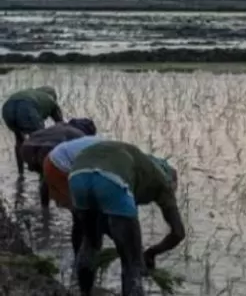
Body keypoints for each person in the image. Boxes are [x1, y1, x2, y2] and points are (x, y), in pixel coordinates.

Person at [68, 140, 186, 296]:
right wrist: (150, 253)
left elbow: (107, 220)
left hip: (77, 175)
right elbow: (178, 232)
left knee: (90, 244)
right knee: (132, 264)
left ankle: (84, 292)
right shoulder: (164, 182)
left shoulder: (139, 165)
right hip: (111, 180)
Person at [43, 134, 106, 256]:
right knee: (82, 216)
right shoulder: (114, 158)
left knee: (86, 216)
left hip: (55, 159)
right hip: (58, 167)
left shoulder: (112, 151)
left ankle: (85, 254)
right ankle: (83, 257)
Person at [20, 118, 98, 209]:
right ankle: (55, 208)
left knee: (46, 179)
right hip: (44, 149)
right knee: (50, 180)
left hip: (26, 147)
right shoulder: (80, 135)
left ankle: (45, 209)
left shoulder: (60, 125)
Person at [2, 86, 64, 176]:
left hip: (7, 108)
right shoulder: (51, 100)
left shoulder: (32, 94)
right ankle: (42, 174)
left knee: (19, 140)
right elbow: (62, 126)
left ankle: (20, 173)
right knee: (40, 141)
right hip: (26, 107)